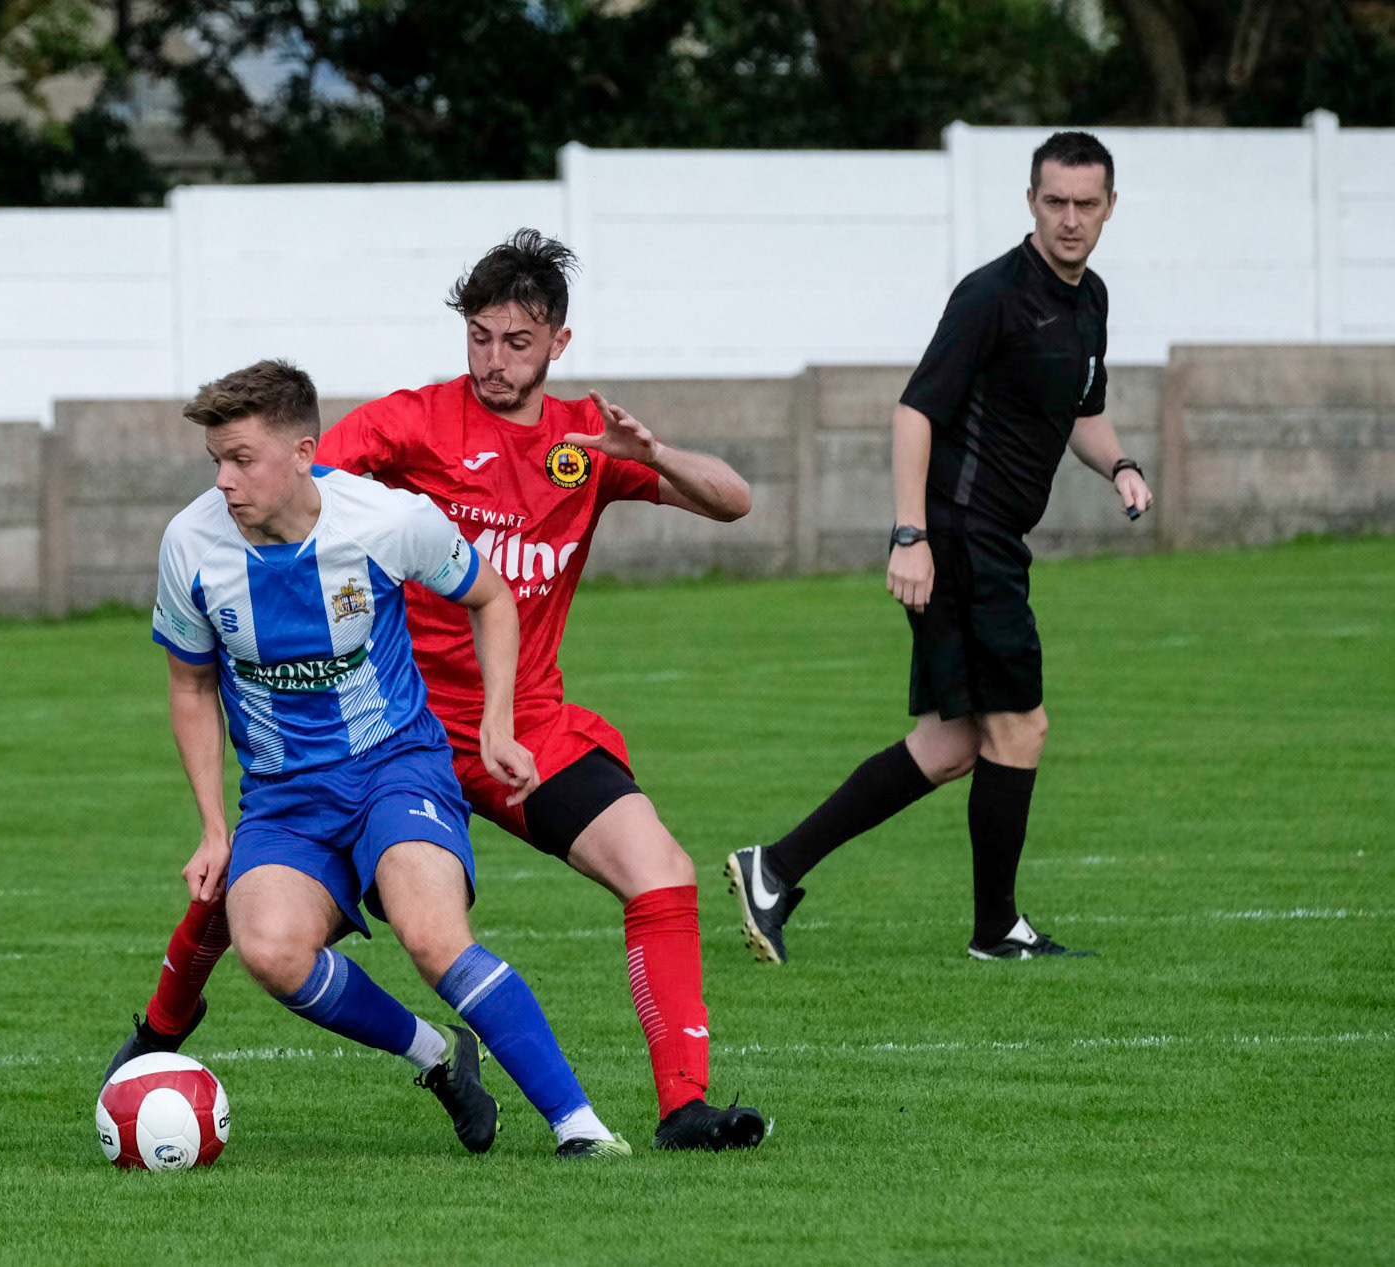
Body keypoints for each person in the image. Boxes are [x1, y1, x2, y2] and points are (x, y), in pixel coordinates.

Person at [111, 231, 769, 1152]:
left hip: (516, 731)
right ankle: (159, 1034)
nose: (494, 361)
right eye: (479, 337)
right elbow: (309, 483)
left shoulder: (584, 443)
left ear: (559, 345)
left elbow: (734, 501)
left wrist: (652, 456)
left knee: (658, 868)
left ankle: (683, 1107)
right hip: (394, 724)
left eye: (517, 342)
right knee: (252, 893)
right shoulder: (414, 423)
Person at [147, 358, 630, 1159]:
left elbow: (491, 595)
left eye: (242, 459)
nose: (225, 481)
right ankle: (434, 1056)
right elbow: (190, 685)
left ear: (303, 453)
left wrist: (498, 725)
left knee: (433, 936)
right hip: (282, 796)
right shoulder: (190, 544)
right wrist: (211, 826)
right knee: (268, 948)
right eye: (216, 462)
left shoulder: (385, 520)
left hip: (394, 767)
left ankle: (580, 1127)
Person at [726, 131, 1154, 964]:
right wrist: (909, 534)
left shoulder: (1090, 298)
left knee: (957, 743)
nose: (1070, 219)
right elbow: (915, 410)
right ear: (1031, 201)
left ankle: (772, 869)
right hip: (963, 535)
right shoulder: (991, 294)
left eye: (1086, 204)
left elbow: (1083, 413)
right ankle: (997, 930)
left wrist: (1123, 465)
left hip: (991, 540)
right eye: (1055, 202)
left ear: (1109, 207)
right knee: (1020, 727)